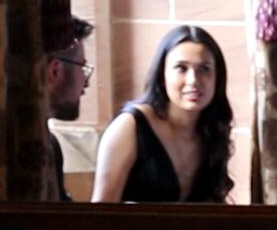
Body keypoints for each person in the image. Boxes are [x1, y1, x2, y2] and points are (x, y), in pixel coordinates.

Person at [92, 26, 235, 204]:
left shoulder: (212, 128)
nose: (193, 80)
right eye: (181, 68)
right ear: (162, 75)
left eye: (204, 69)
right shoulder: (130, 126)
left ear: (217, 77)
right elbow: (100, 211)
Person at [38, 0, 94, 200]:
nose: (86, 84)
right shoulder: (43, 147)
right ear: (54, 71)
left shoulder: (49, 145)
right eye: (82, 67)